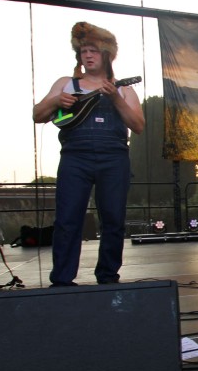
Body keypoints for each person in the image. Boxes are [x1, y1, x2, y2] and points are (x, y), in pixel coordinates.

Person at [32, 22, 145, 286]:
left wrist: (115, 99)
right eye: (84, 51)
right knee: (68, 218)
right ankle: (62, 279)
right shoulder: (66, 84)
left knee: (113, 219)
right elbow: (37, 115)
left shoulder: (123, 89)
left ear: (107, 55)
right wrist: (56, 101)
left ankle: (108, 276)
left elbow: (138, 125)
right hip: (75, 158)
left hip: (114, 158)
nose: (88, 56)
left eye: (93, 51)